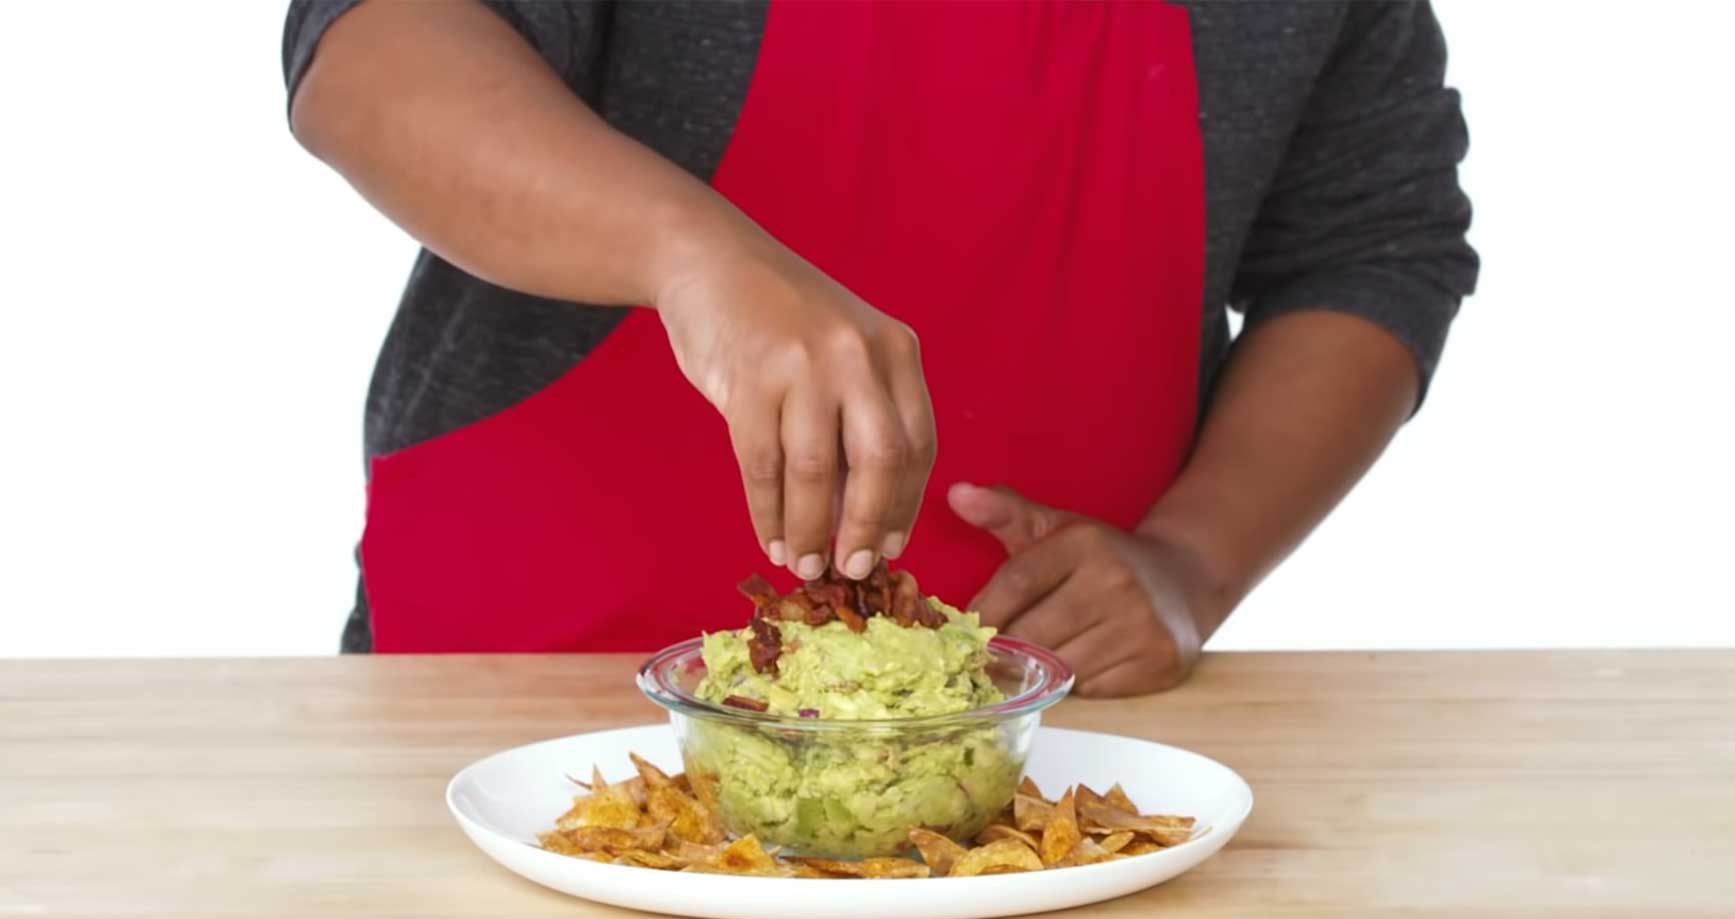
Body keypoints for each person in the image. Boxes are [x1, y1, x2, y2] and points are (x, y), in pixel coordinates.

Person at [282, 0, 1477, 696]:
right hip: (517, 698)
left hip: (1036, 740)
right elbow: (378, 55)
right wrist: (695, 258)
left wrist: (1191, 561)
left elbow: (1374, 246)